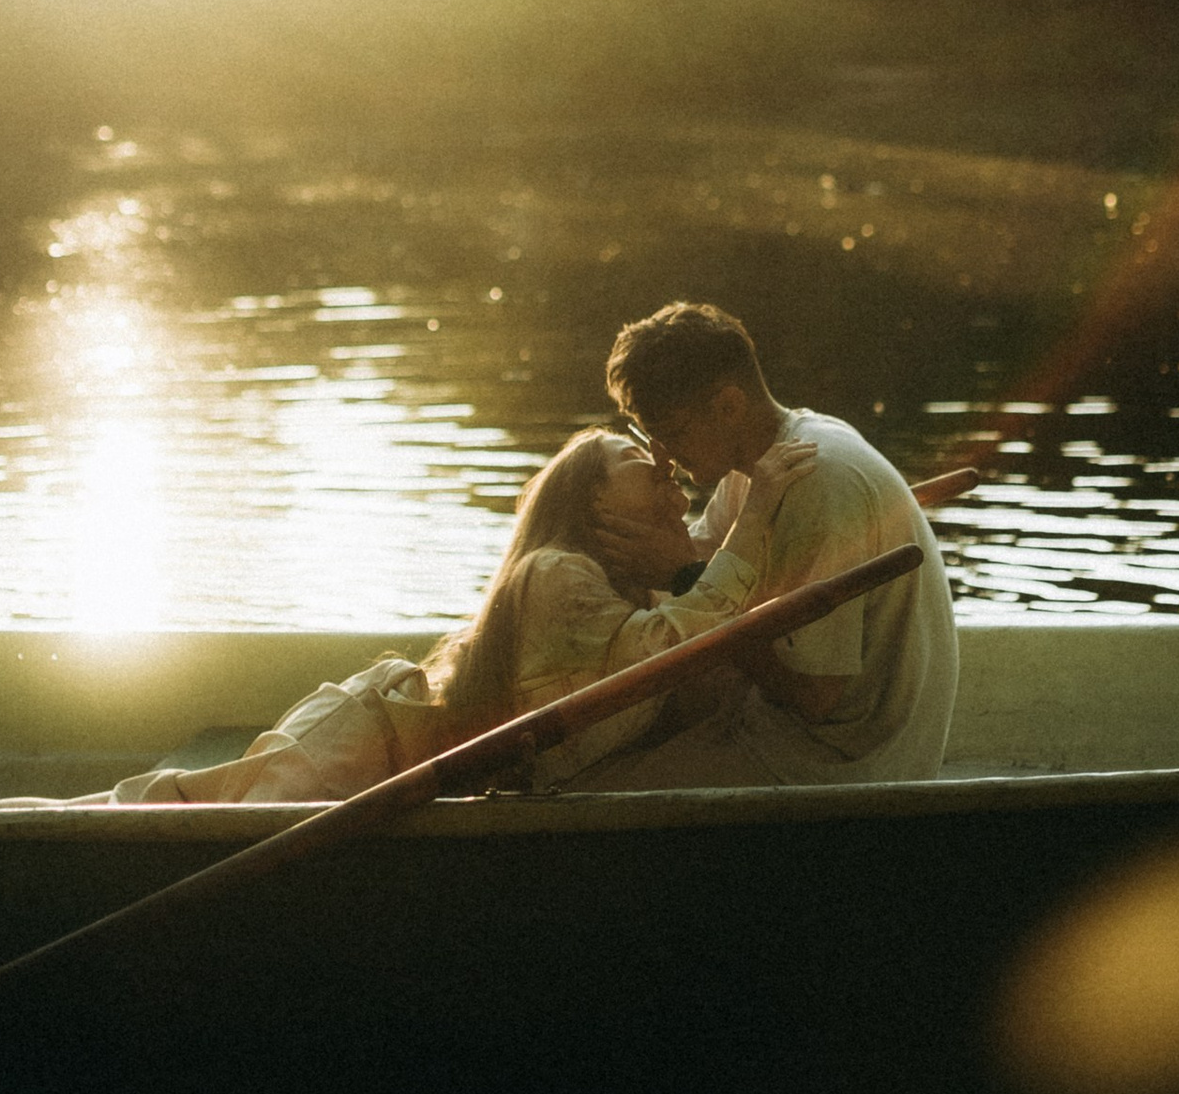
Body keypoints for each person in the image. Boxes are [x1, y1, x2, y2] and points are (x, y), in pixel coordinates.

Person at [106, 420, 816, 807]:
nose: (667, 476)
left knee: (173, 808)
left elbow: (707, 595)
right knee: (165, 816)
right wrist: (749, 528)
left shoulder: (636, 592)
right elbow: (674, 645)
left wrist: (717, 532)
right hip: (364, 746)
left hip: (403, 766)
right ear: (591, 503)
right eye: (640, 462)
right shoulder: (555, 574)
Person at [586, 300, 957, 786]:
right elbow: (705, 570)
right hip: (789, 727)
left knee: (594, 787)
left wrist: (681, 577)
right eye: (649, 436)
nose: (664, 457)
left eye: (673, 433)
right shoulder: (758, 468)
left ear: (728, 406)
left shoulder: (815, 476)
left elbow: (814, 695)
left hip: (842, 760)